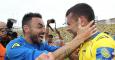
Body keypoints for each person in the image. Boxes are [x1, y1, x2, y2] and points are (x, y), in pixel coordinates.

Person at [5, 12, 96, 60]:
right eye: (40, 27)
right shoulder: (14, 47)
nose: (44, 31)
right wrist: (80, 38)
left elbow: (61, 51)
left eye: (44, 27)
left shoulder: (41, 44)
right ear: (26, 29)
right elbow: (48, 58)